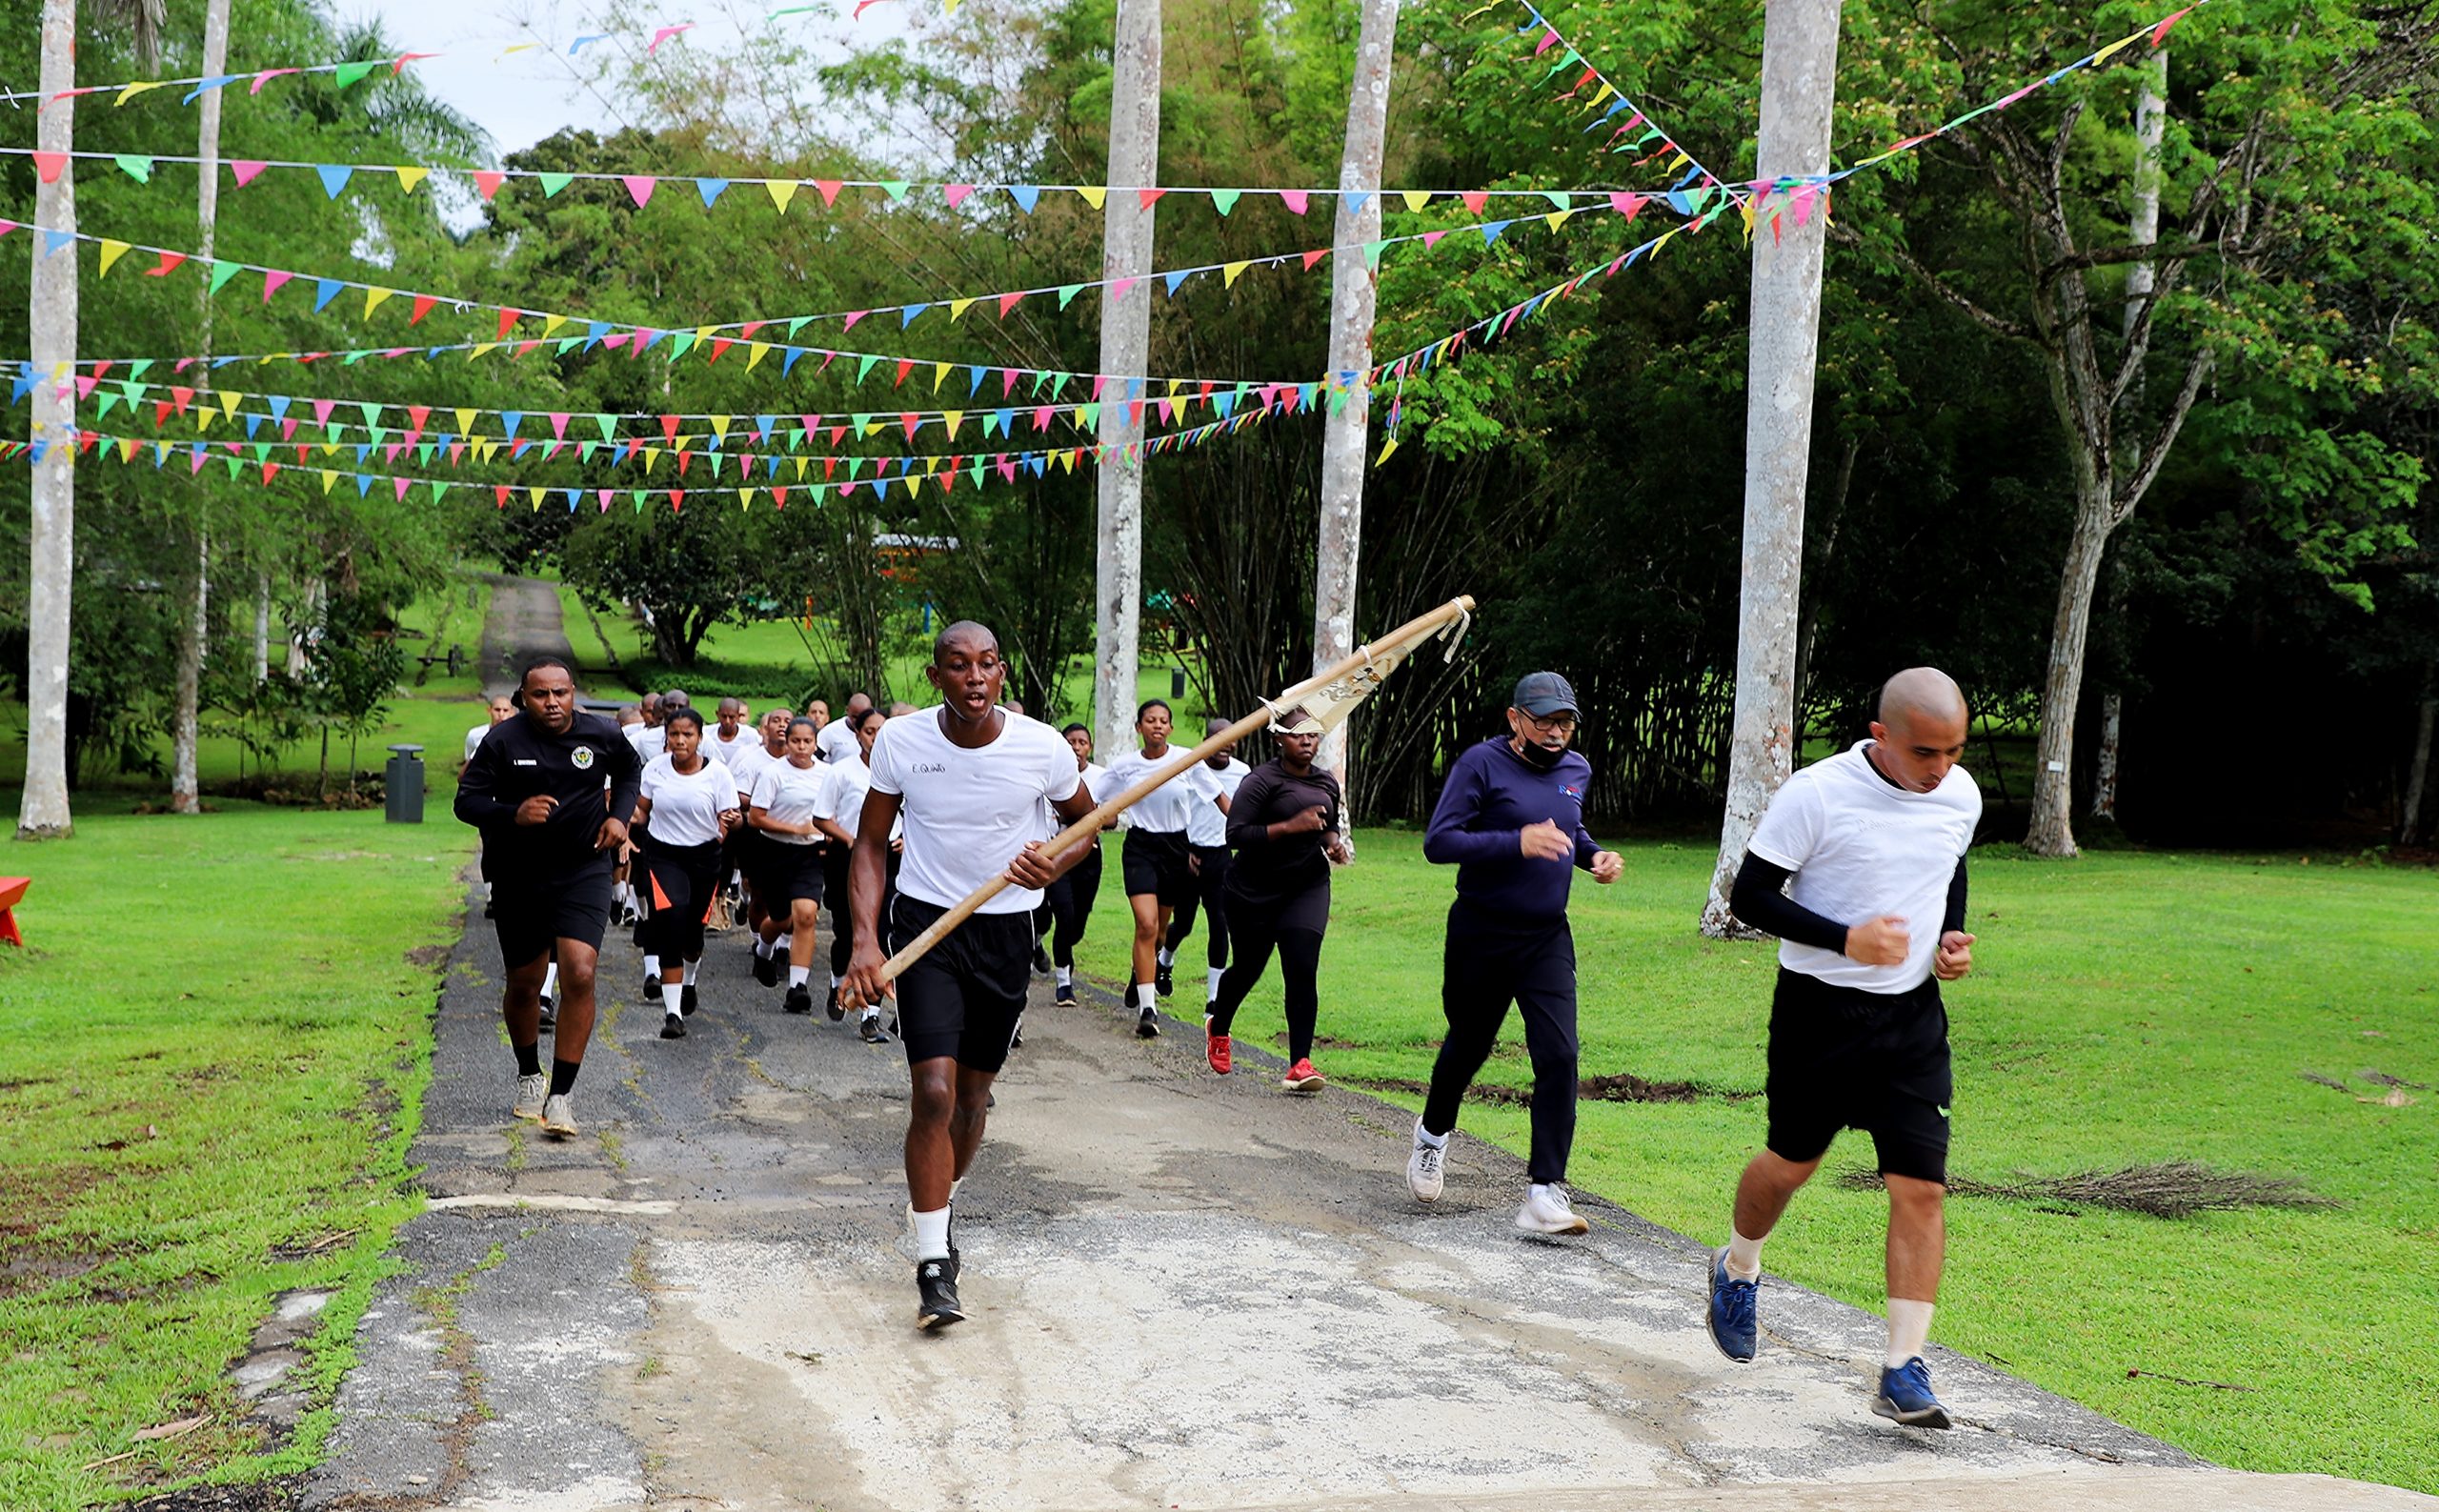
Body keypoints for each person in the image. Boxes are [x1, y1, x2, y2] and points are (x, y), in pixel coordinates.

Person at [1703, 668, 1980, 1432]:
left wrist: (1949, 937)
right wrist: (1845, 937)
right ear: (1882, 735)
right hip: (1819, 1014)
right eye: (1927, 752)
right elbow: (1749, 895)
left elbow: (1949, 862)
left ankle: (1902, 1365)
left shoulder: (1959, 793)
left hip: (1912, 1020)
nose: (1943, 769)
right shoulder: (1816, 793)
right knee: (1791, 1164)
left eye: (1955, 751)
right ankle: (1738, 1265)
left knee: (1921, 1186)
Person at [842, 622, 1098, 1329]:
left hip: (1007, 930)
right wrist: (865, 940)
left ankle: (935, 1205)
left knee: (973, 1097)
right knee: (933, 1090)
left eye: (987, 664)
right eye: (959, 666)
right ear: (936, 677)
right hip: (925, 928)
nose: (975, 678)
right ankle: (932, 1263)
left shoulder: (1042, 747)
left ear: (1003, 672)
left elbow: (1086, 829)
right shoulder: (901, 742)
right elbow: (868, 843)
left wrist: (1057, 858)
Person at [1405, 673, 1624, 1238]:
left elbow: (1569, 831)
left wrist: (1594, 856)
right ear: (1515, 719)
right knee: (1469, 1043)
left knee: (1560, 1054)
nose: (1557, 732)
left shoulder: (1577, 770)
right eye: (1546, 720)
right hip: (1481, 930)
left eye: (1566, 721)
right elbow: (1439, 842)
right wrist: (1516, 841)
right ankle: (1432, 1135)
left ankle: (1543, 1191)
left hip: (1546, 937)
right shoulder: (1480, 765)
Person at [453, 655, 638, 1139]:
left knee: (579, 970)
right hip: (520, 874)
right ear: (523, 697)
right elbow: (465, 801)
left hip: (585, 868)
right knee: (525, 983)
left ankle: (561, 1096)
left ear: (573, 692)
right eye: (541, 694)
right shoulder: (503, 741)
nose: (552, 703)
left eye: (561, 692)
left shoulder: (600, 734)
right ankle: (529, 1074)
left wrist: (619, 816)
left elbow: (629, 772)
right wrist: (514, 813)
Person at [1201, 708, 1349, 1091]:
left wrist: (1333, 845)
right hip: (1253, 890)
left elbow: (1327, 826)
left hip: (1306, 886)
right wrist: (1288, 826)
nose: (1306, 741)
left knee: (1302, 966)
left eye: (1313, 735)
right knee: (1248, 968)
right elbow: (1236, 834)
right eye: (1297, 734)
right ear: (1279, 739)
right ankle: (1218, 1026)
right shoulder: (1260, 781)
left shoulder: (1326, 781)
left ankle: (1300, 1062)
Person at [1099, 699, 1225, 1037]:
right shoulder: (1124, 766)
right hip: (1141, 847)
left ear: (1170, 728)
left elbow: (1221, 799)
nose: (1157, 725)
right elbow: (1096, 802)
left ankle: (1138, 975)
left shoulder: (1186, 761)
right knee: (1146, 923)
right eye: (1150, 720)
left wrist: (1251, 827)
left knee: (1158, 933)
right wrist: (1098, 820)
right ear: (1139, 728)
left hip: (1176, 849)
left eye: (1163, 721)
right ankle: (1148, 1009)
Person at [633, 707, 740, 1040]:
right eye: (674, 734)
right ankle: (673, 1014)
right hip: (663, 855)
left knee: (693, 936)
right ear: (666, 736)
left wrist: (732, 822)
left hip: (705, 858)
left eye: (687, 735)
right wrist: (617, 816)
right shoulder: (655, 769)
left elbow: (732, 818)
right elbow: (641, 810)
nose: (680, 741)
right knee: (670, 920)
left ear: (699, 737)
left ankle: (689, 981)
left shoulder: (718, 774)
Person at [816, 703, 897, 1038]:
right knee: (847, 932)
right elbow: (820, 817)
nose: (876, 738)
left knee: (881, 931)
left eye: (882, 731)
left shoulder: (900, 771)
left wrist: (905, 838)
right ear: (856, 734)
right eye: (869, 731)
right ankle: (838, 983)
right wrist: (850, 839)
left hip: (890, 859)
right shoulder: (841, 771)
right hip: (846, 858)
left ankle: (870, 1015)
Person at [749, 716, 835, 1015]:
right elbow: (756, 817)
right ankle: (763, 950)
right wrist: (793, 829)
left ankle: (797, 987)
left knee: (807, 915)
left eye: (807, 741)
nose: (801, 747)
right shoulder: (774, 773)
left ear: (815, 743)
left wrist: (827, 836)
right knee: (781, 919)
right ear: (787, 742)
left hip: (809, 854)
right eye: (795, 741)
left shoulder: (827, 774)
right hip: (774, 851)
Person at [1165, 720, 1251, 1014]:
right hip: (1188, 855)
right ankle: (1165, 958)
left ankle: (1214, 999)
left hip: (1221, 857)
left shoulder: (1243, 773)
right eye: (1219, 738)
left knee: (1219, 924)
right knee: (1184, 923)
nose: (1227, 744)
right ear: (1206, 741)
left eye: (1232, 739)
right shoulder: (1189, 767)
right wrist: (1183, 850)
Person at [1041, 723, 1110, 1008]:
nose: (1076, 746)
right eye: (1071, 741)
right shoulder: (1049, 776)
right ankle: (1064, 983)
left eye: (1082, 742)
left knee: (1077, 925)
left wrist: (1094, 816)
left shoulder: (1102, 777)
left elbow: (1113, 817)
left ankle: (1039, 942)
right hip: (1056, 855)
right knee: (1064, 915)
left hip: (1089, 856)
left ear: (1089, 748)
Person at [731, 709, 793, 967]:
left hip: (794, 835)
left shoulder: (803, 760)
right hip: (756, 833)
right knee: (760, 894)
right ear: (764, 729)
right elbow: (739, 797)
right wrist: (763, 798)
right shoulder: (751, 760)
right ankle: (759, 940)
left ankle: (784, 947)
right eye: (775, 721)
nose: (781, 725)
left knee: (793, 896)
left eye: (786, 721)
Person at [819, 691, 875, 765]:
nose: (859, 720)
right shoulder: (830, 731)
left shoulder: (879, 732)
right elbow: (816, 761)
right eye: (855, 717)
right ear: (847, 710)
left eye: (864, 716)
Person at [461, 695, 514, 771]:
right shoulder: (474, 734)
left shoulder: (518, 736)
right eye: (497, 710)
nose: (501, 714)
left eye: (505, 710)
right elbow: (469, 762)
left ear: (512, 713)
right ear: (489, 710)